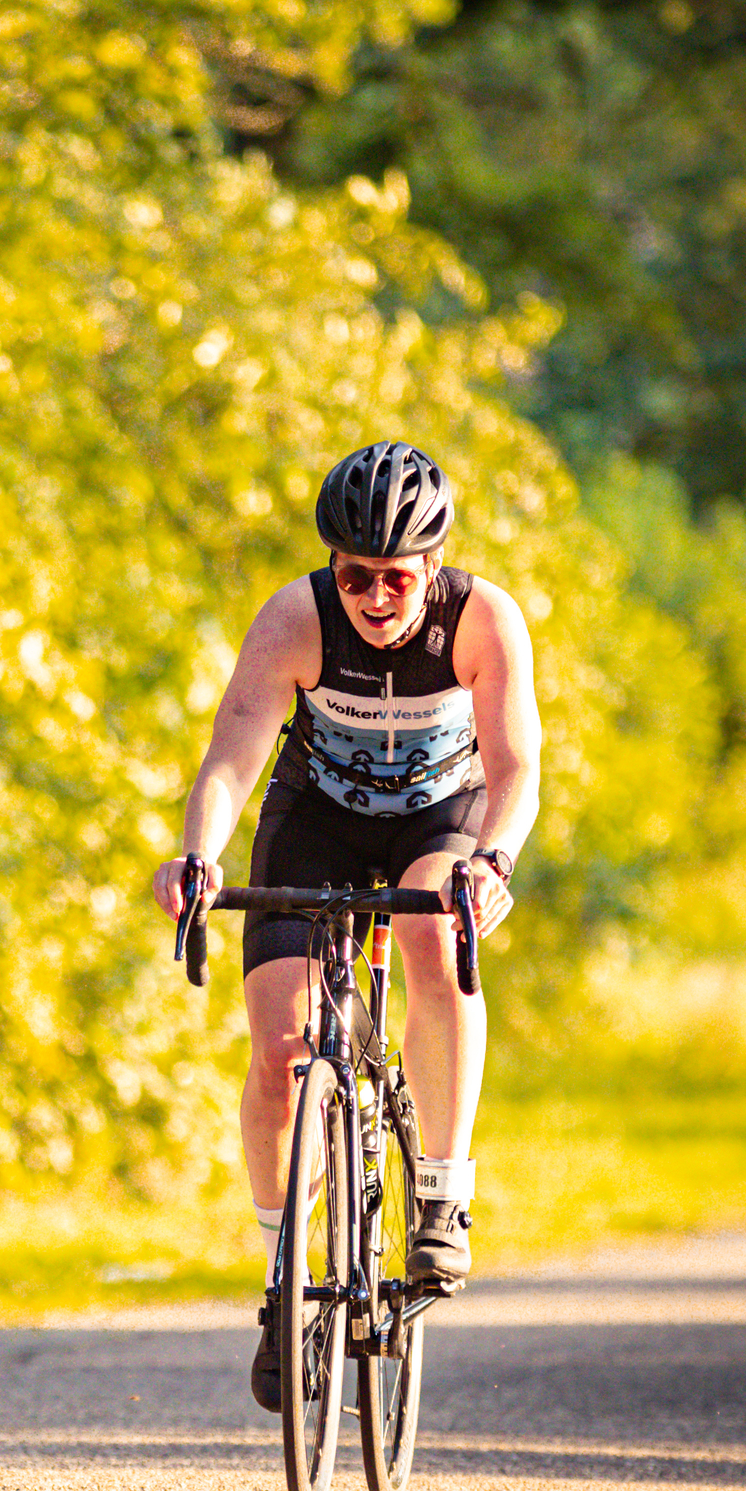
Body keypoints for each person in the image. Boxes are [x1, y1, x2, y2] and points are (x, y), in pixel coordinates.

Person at [152, 441, 542, 1411]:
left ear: (433, 567)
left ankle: (441, 1190)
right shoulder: (294, 619)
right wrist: (197, 852)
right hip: (314, 817)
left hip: (436, 817)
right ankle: (284, 1275)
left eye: (395, 579)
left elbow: (515, 768)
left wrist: (491, 864)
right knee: (280, 1045)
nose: (373, 597)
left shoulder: (480, 620)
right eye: (354, 576)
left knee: (434, 937)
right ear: (331, 569)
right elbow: (233, 750)